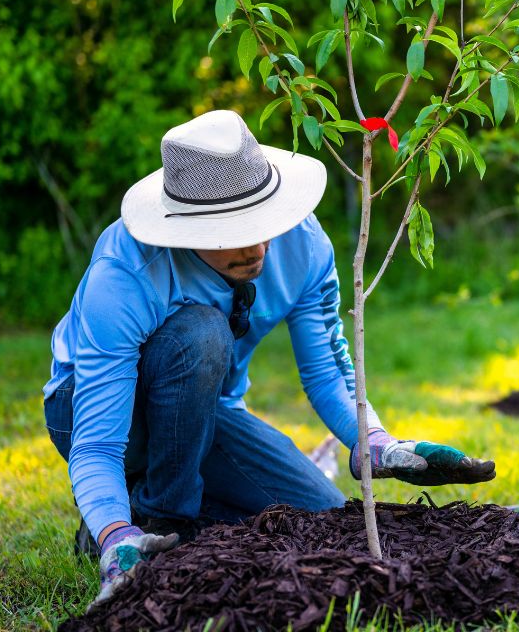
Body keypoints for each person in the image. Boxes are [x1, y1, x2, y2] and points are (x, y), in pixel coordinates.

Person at [41, 110, 495, 607]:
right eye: (232, 230)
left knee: (318, 514)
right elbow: (97, 444)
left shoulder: (303, 245)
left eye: (264, 222)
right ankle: (147, 523)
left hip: (206, 415)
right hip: (91, 412)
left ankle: (147, 513)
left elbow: (328, 370)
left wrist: (376, 444)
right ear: (186, 230)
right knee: (202, 332)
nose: (258, 246)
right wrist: (114, 535)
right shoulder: (127, 273)